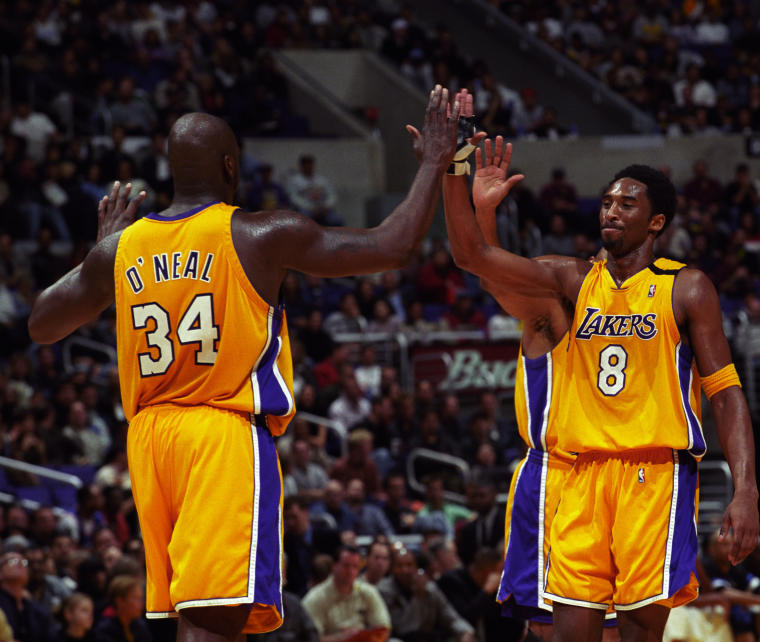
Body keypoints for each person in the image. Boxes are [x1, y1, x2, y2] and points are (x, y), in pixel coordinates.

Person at [28, 85, 467, 639]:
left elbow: (42, 323)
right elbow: (394, 243)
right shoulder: (258, 234)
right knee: (213, 624)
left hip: (149, 441)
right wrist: (434, 162)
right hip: (219, 435)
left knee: (193, 618)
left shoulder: (123, 248)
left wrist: (101, 254)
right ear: (231, 167)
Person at [443, 138, 759, 642]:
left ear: (656, 222)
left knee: (635, 635)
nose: (611, 211)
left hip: (652, 473)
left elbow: (724, 392)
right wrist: (465, 189)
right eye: (607, 202)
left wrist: (746, 490)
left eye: (627, 204)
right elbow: (474, 260)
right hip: (580, 475)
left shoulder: (687, 287)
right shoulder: (571, 279)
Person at [301, 546, 390, 642]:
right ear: (334, 566)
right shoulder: (315, 598)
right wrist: (342, 637)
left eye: (355, 567)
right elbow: (311, 639)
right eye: (346, 566)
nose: (350, 572)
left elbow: (383, 628)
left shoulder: (368, 592)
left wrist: (360, 635)